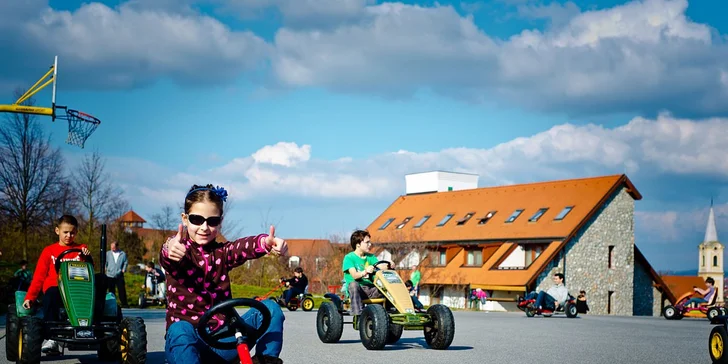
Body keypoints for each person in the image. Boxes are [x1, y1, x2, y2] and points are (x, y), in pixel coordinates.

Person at [161, 184, 288, 364]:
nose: (204, 227)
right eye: (197, 219)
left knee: (271, 308)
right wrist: (169, 247)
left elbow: (242, 247)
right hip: (188, 345)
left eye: (212, 221)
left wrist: (266, 243)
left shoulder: (223, 253)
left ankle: (265, 359)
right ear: (185, 218)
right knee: (180, 329)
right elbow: (167, 256)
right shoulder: (178, 252)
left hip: (223, 343)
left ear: (220, 221)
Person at [22, 215, 90, 355]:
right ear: (57, 231)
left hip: (78, 289)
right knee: (51, 294)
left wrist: (86, 255)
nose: (69, 236)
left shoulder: (81, 249)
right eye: (65, 232)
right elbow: (39, 277)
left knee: (101, 279)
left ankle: (94, 327)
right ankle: (52, 338)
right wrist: (30, 297)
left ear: (76, 232)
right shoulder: (49, 251)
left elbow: (88, 268)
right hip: (56, 289)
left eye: (72, 232)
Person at [342, 230, 390, 326]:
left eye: (370, 242)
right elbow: (354, 275)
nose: (370, 244)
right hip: (358, 289)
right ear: (358, 244)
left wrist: (389, 265)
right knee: (353, 285)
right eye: (367, 242)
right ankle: (359, 316)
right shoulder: (349, 257)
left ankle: (387, 314)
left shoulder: (371, 257)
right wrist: (365, 271)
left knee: (386, 287)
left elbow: (381, 266)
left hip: (371, 289)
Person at [105, 241, 129, 308]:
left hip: (119, 274)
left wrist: (123, 269)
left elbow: (125, 262)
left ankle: (124, 304)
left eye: (114, 247)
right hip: (110, 274)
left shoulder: (122, 254)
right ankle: (111, 304)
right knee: (111, 290)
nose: (112, 249)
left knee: (121, 290)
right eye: (111, 247)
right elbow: (105, 261)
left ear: (117, 247)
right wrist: (105, 268)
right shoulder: (108, 253)